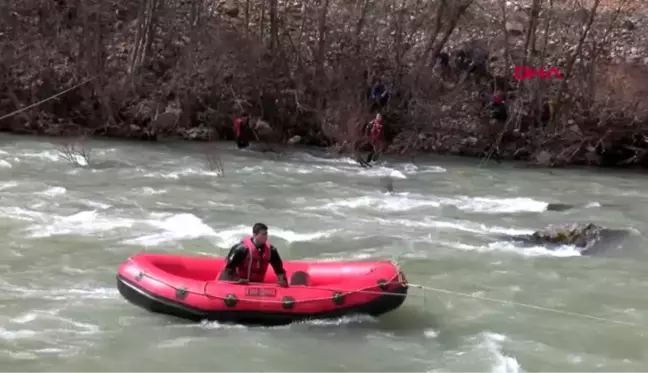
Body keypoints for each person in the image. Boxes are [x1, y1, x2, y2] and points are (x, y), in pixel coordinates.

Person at [220, 223, 288, 287]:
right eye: (263, 234)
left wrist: (282, 280)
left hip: (258, 286)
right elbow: (228, 270)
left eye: (266, 234)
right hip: (240, 284)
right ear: (254, 234)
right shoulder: (241, 249)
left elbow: (279, 270)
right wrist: (237, 279)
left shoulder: (271, 250)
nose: (266, 237)